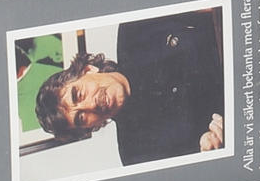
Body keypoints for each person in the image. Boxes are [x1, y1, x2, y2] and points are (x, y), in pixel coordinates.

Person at [35, 10, 225, 165]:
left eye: (78, 95)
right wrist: (210, 151)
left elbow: (213, 7)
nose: (90, 105)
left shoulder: (134, 27)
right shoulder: (136, 156)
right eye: (81, 117)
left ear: (88, 69)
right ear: (89, 127)